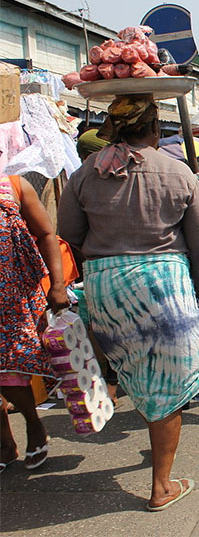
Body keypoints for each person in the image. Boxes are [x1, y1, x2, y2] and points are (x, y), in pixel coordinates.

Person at [58, 95, 199, 510]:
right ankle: (161, 485)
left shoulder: (84, 174)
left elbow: (69, 233)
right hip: (163, 284)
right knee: (166, 386)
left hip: (105, 287)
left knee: (137, 374)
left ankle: (158, 466)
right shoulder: (178, 172)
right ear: (152, 129)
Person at [0, 174, 69, 472]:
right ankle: (4, 443)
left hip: (13, 298)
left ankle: (33, 424)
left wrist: (57, 284)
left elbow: (45, 234)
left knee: (9, 371)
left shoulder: (14, 186)